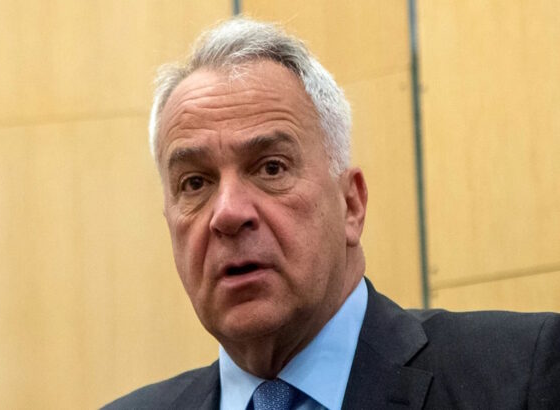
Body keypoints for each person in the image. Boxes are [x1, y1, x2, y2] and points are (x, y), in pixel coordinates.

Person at [103, 18, 560, 410]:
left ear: (351, 205)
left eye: (271, 168)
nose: (227, 213)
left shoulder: (524, 375)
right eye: (195, 183)